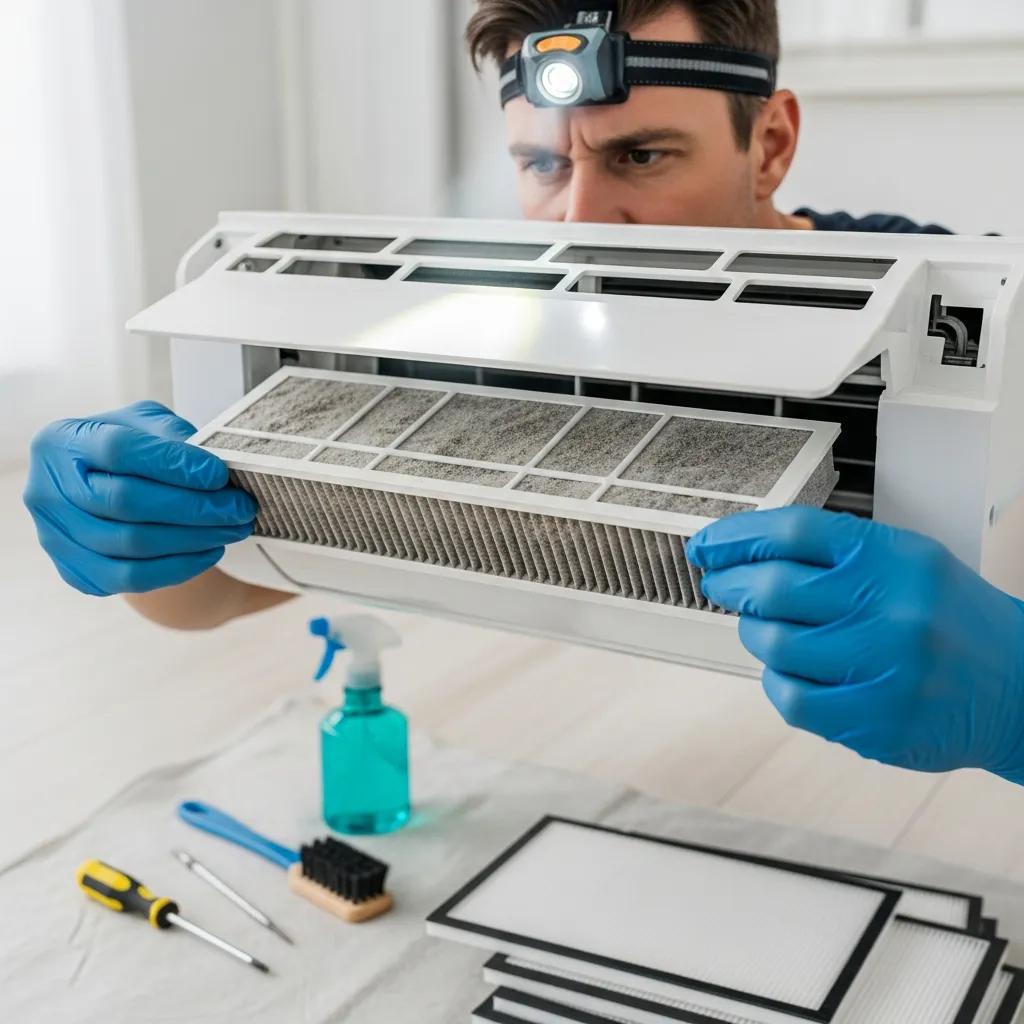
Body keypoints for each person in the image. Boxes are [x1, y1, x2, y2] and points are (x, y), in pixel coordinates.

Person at [24, 0, 1024, 785]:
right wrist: (138, 525)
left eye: (640, 155)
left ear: (767, 144)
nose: (579, 219)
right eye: (541, 163)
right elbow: (229, 584)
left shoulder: (965, 327)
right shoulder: (474, 324)